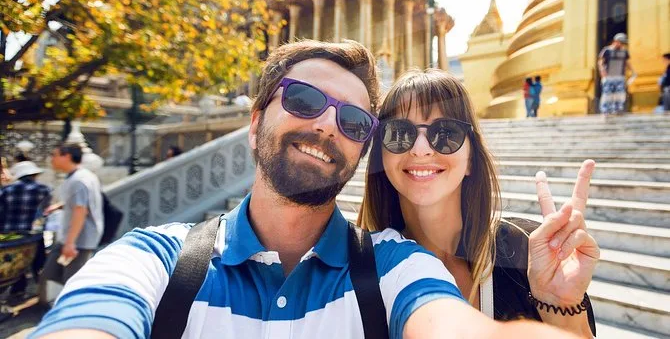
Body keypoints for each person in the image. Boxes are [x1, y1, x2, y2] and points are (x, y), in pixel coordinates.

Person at [31, 40, 575, 339]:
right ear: (254, 123)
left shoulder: (394, 265)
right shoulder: (156, 261)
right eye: (304, 100)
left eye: (354, 121)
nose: (327, 126)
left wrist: (558, 304)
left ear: (361, 148)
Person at [358, 69, 598, 337]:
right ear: (382, 158)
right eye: (399, 133)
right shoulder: (362, 270)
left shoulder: (528, 251)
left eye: (445, 133)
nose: (420, 149)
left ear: (471, 159)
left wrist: (561, 308)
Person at [38, 143, 104, 305]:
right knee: (51, 275)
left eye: (54, 155)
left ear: (66, 156)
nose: (51, 159)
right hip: (73, 238)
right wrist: (60, 206)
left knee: (71, 281)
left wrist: (70, 243)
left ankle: (71, 310)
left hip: (77, 241)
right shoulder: (82, 176)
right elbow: (79, 203)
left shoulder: (78, 180)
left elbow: (80, 211)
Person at [0, 160, 52, 298]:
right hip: (34, 233)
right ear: (34, 175)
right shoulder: (44, 189)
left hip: (11, 233)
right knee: (39, 261)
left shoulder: (6, 190)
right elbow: (45, 211)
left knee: (15, 263)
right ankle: (44, 291)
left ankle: (18, 290)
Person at [598, 33, 635, 115]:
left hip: (620, 76)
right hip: (609, 76)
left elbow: (627, 62)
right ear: (616, 41)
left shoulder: (624, 51)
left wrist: (633, 71)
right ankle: (606, 111)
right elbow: (600, 62)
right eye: (621, 43)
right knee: (607, 94)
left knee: (620, 94)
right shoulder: (606, 50)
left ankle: (618, 110)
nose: (623, 45)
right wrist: (602, 72)